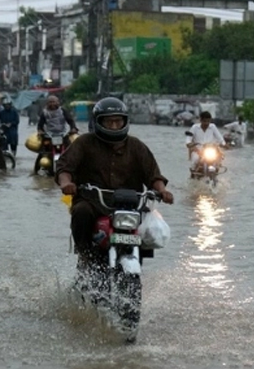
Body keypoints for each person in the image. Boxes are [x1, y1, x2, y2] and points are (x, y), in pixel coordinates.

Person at [56, 97, 174, 265]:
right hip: (93, 201)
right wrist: (66, 183)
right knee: (81, 212)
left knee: (147, 225)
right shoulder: (84, 143)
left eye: (118, 122)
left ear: (125, 122)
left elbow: (153, 175)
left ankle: (137, 254)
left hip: (129, 205)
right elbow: (64, 168)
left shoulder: (136, 146)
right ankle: (85, 254)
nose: (113, 126)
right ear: (98, 122)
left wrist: (162, 191)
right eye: (108, 122)